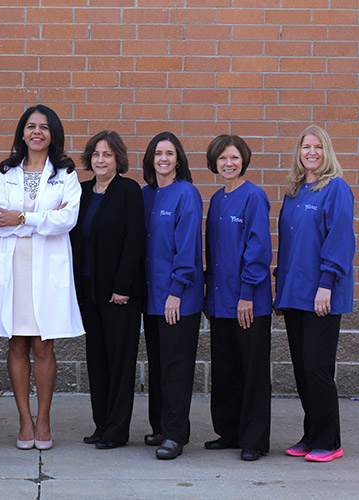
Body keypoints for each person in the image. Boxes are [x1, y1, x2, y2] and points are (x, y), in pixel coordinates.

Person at [0, 104, 84, 451]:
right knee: (17, 342)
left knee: (43, 343)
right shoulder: (5, 172)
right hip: (14, 267)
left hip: (48, 268)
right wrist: (43, 218)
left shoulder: (65, 173)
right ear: (22, 133)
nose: (36, 132)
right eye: (30, 126)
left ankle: (44, 420)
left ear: (53, 133)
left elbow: (67, 219)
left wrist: (22, 219)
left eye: (44, 127)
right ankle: (24, 421)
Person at [274, 125, 354, 463]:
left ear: (327, 152)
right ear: (299, 152)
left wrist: (326, 284)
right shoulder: (294, 193)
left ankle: (329, 441)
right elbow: (289, 247)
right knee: (302, 369)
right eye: (306, 147)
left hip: (321, 293)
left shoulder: (336, 189)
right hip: (294, 293)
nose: (312, 152)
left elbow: (339, 240)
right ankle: (311, 434)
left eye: (318, 147)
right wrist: (281, 292)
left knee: (317, 367)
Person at [70, 131, 145, 450]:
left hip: (119, 293)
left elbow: (134, 240)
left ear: (118, 160)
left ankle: (117, 430)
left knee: (119, 362)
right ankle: (101, 425)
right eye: (96, 155)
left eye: (108, 155)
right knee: (97, 359)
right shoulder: (82, 191)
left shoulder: (128, 190)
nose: (101, 160)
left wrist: (122, 286)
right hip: (88, 289)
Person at [203, 135, 272, 461]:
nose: (228, 164)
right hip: (220, 303)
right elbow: (213, 254)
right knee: (226, 370)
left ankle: (254, 440)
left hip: (248, 304)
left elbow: (257, 250)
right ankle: (229, 432)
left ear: (243, 159)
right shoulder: (217, 200)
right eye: (222, 159)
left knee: (252, 372)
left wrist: (247, 294)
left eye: (233, 158)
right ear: (214, 163)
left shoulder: (254, 197)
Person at [141, 131, 204, 460]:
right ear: (151, 159)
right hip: (152, 300)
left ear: (178, 159)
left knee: (177, 366)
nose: (163, 158)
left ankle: (176, 435)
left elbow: (188, 247)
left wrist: (176, 292)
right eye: (158, 153)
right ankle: (161, 427)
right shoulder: (146, 195)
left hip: (178, 299)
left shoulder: (186, 194)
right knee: (158, 365)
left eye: (169, 153)